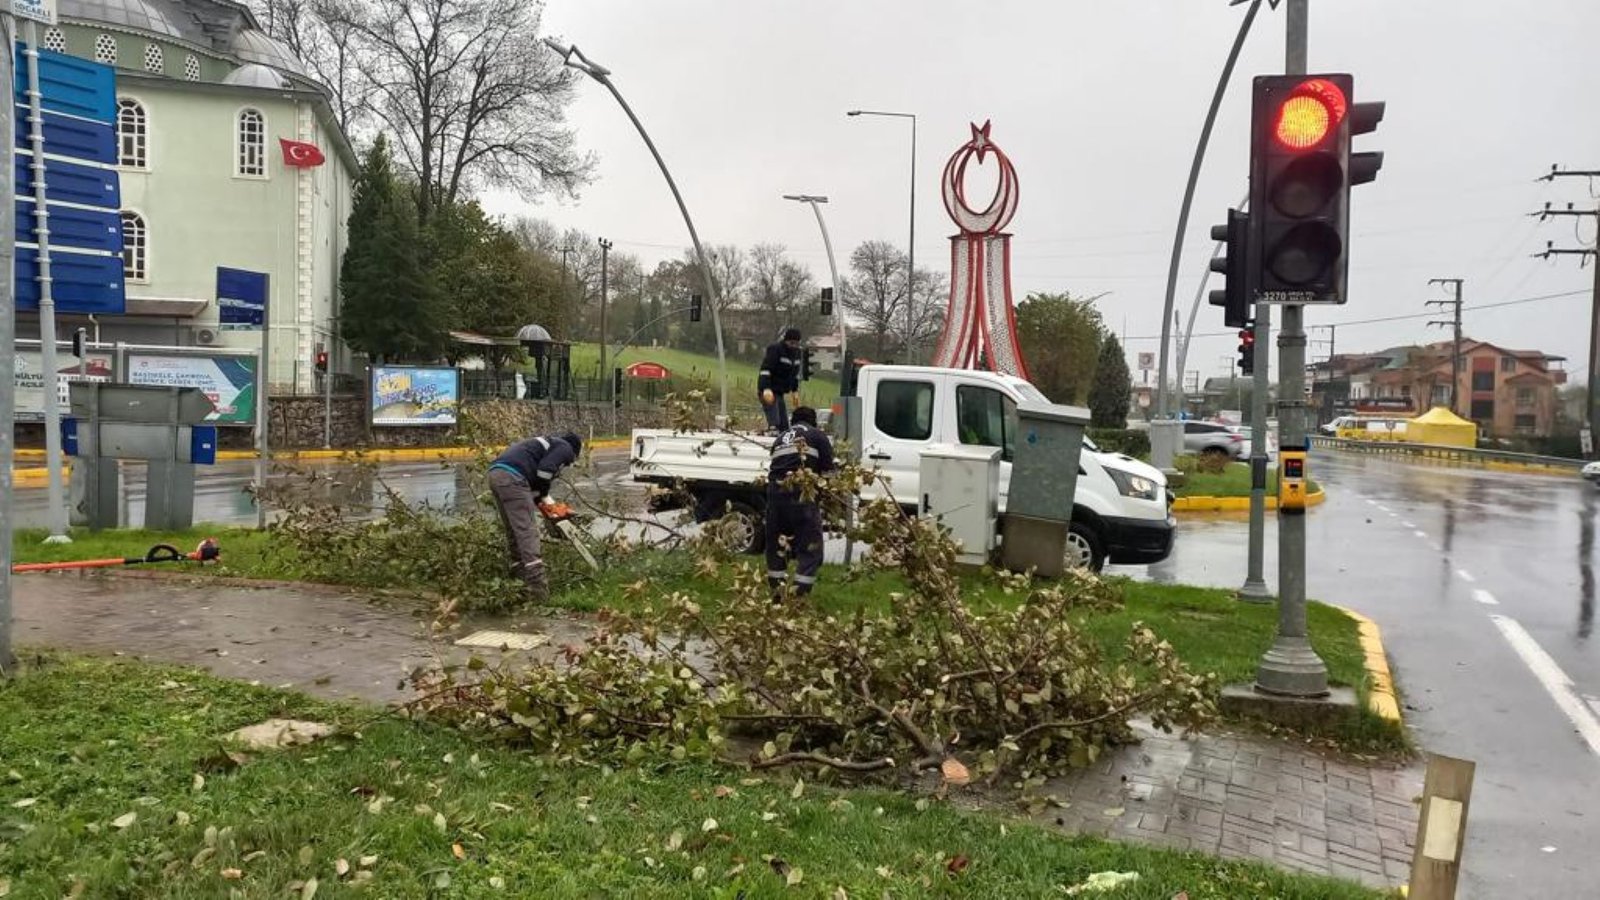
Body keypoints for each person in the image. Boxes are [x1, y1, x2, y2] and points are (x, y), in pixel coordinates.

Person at [488, 431, 582, 602]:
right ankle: (538, 591)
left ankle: (518, 584)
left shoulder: (542, 446)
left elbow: (535, 485)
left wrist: (547, 508)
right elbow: (545, 472)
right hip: (514, 478)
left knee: (514, 532)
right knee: (527, 533)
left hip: (496, 474)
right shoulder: (566, 447)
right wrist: (545, 495)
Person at [765, 406, 834, 599]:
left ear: (792, 421)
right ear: (813, 422)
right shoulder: (818, 436)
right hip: (801, 496)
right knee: (811, 548)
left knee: (777, 547)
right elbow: (828, 475)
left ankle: (777, 596)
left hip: (775, 496)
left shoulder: (780, 438)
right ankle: (798, 596)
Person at [758, 327, 804, 432]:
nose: (794, 346)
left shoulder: (797, 354)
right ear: (786, 341)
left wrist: (795, 390)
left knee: (784, 425)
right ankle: (773, 428)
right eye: (791, 343)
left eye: (796, 343)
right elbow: (766, 370)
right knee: (774, 417)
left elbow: (794, 375)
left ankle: (782, 432)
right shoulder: (775, 350)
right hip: (769, 390)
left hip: (780, 391)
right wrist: (765, 388)